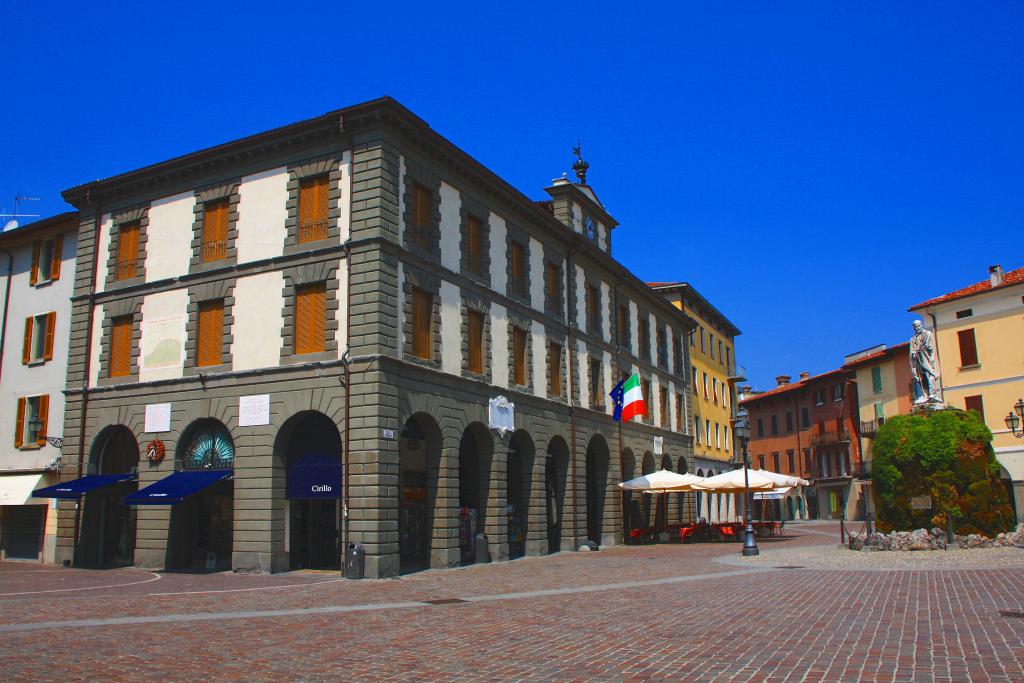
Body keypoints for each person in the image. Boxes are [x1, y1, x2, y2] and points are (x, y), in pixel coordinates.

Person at [910, 320, 942, 403]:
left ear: (921, 325)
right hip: (918, 359)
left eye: (918, 326)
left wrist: (931, 358)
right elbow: (912, 349)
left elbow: (929, 346)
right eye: (915, 327)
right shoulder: (913, 338)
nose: (917, 328)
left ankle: (932, 394)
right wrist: (914, 352)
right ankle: (925, 395)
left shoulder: (927, 334)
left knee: (929, 374)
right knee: (921, 376)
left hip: (927, 358)